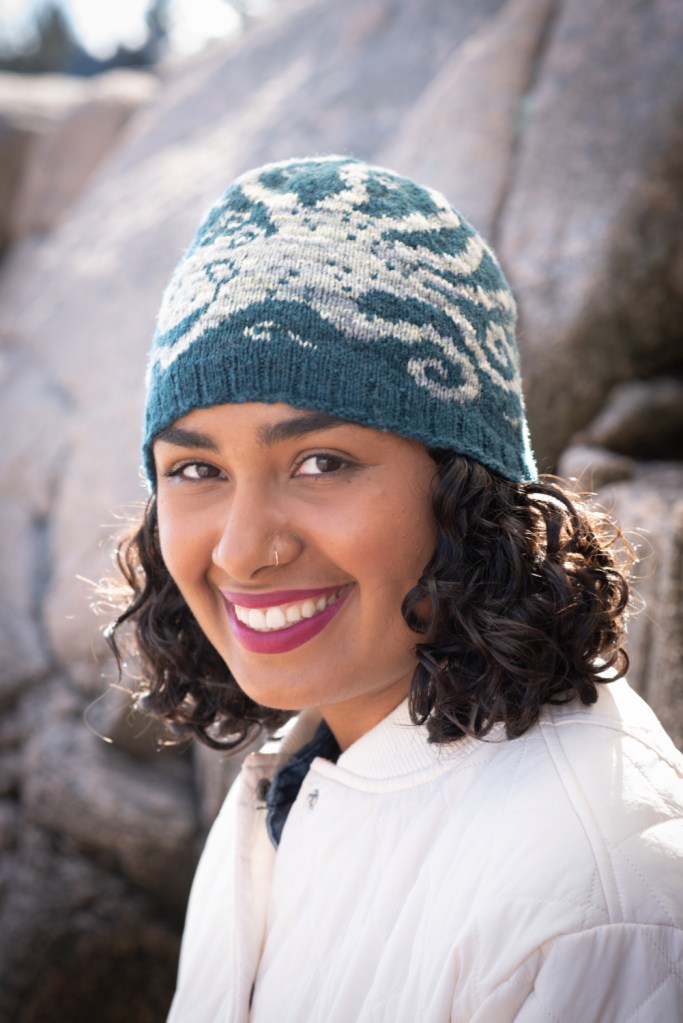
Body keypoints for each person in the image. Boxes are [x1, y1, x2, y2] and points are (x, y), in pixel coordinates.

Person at [109, 156, 683, 1022]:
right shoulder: (293, 776)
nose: (242, 548)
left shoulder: (586, 899)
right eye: (195, 468)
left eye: (321, 461)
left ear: (462, 484)